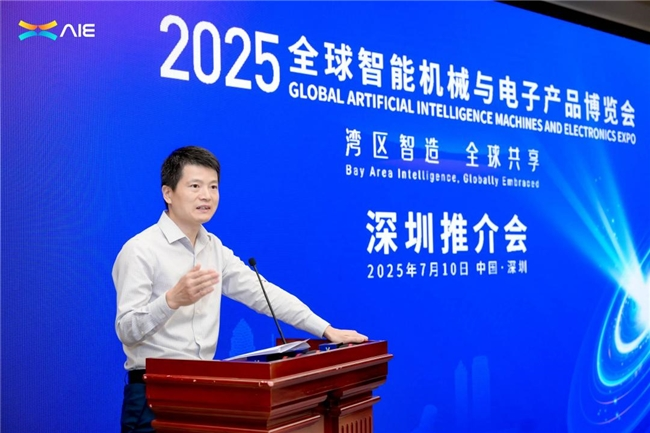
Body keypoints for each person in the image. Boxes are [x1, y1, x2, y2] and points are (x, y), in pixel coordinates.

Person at [113, 146, 367, 433]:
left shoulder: (214, 249)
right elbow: (126, 329)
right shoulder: (140, 250)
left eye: (213, 187)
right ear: (168, 193)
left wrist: (325, 329)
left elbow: (264, 294)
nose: (206, 196)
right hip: (153, 393)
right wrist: (171, 300)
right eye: (195, 186)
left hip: (203, 389)